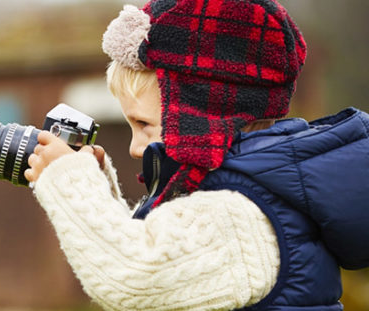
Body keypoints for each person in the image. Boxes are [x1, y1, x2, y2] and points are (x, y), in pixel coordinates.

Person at [24, 0, 369, 310]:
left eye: (144, 123)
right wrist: (100, 192)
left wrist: (71, 180)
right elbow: (163, 269)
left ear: (202, 115)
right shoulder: (247, 190)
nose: (133, 148)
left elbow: (133, 275)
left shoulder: (240, 214)